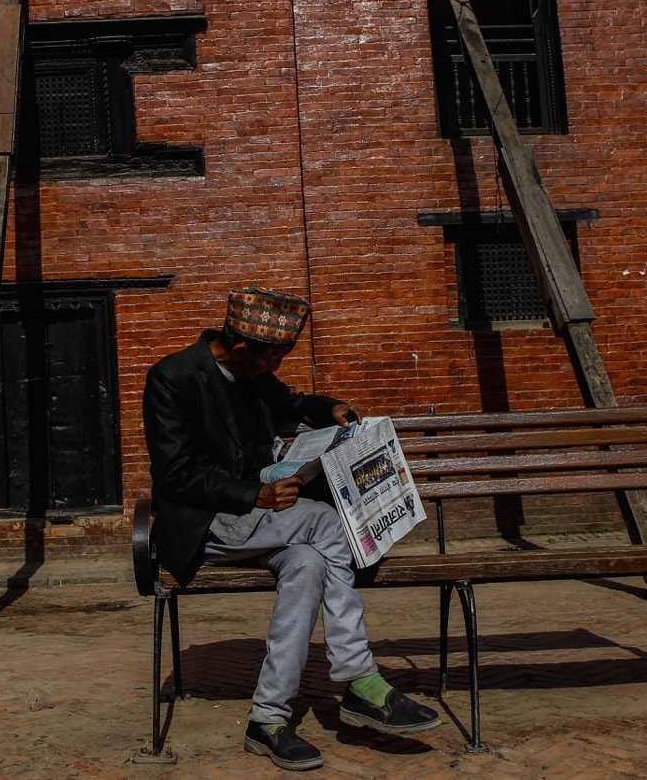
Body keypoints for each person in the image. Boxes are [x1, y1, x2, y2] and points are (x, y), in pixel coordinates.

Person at [142, 287, 439, 771]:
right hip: (209, 523)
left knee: (309, 564)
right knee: (327, 522)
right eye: (269, 361)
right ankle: (358, 677)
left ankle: (268, 720)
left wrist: (330, 411)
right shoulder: (172, 377)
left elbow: (292, 402)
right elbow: (173, 475)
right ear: (240, 349)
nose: (273, 370)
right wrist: (251, 494)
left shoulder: (253, 374)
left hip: (262, 523)